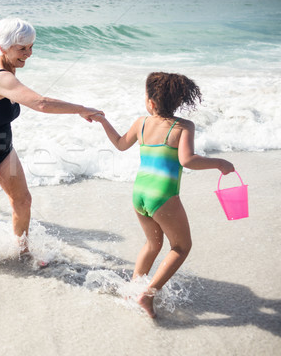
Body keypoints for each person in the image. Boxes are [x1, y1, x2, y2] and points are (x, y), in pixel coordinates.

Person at [0, 17, 103, 259]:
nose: (29, 53)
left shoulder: (2, 67)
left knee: (22, 201)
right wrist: (81, 108)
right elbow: (41, 103)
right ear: (3, 47)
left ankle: (23, 253)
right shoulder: (2, 77)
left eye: (31, 46)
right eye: (22, 48)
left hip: (3, 145)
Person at [92, 72, 235, 318]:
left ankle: (132, 288)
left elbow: (119, 143)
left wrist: (103, 121)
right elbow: (187, 160)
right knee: (181, 246)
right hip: (163, 196)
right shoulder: (183, 126)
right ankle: (146, 295)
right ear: (178, 101)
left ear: (152, 103)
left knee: (152, 243)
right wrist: (219, 162)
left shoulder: (141, 123)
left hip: (139, 193)